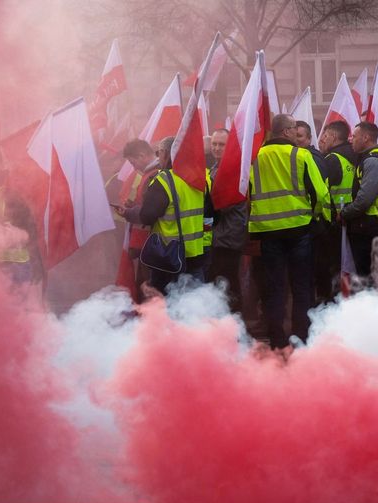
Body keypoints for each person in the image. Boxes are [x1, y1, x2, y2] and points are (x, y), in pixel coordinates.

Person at [248, 114, 331, 350]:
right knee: (301, 286)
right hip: (299, 229)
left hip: (266, 232)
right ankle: (300, 338)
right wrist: (316, 215)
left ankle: (277, 340)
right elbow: (321, 193)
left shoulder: (255, 156)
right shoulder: (301, 155)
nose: (297, 132)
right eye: (294, 128)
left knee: (274, 288)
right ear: (285, 132)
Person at [118, 136, 207, 294]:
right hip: (197, 253)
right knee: (195, 306)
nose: (158, 156)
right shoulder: (201, 177)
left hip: (169, 254)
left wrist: (132, 212)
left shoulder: (163, 179)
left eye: (159, 152)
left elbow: (147, 216)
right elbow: (213, 215)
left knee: (166, 303)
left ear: (166, 153)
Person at [0, 144, 43, 285]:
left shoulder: (14, 199)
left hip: (14, 272)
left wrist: (37, 268)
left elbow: (30, 236)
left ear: (1, 167)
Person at [339, 122, 378, 278]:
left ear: (366, 137)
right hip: (366, 225)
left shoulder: (373, 161)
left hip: (370, 226)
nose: (351, 140)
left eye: (354, 136)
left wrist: (344, 213)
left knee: (368, 276)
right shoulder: (368, 159)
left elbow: (364, 199)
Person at [206, 129, 247, 312]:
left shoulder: (232, 169)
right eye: (214, 143)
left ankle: (234, 321)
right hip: (219, 235)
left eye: (221, 144)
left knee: (227, 281)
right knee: (220, 280)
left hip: (228, 236)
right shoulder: (216, 168)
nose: (216, 148)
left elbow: (220, 204)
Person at [316, 120, 356, 302]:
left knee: (334, 266)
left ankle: (333, 302)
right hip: (353, 218)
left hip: (334, 221)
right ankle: (349, 300)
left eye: (323, 136)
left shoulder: (331, 159)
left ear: (332, 136)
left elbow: (321, 191)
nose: (321, 141)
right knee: (348, 266)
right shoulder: (356, 155)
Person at [119, 139, 161, 297]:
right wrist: (132, 206)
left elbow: (149, 212)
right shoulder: (149, 175)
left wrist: (128, 212)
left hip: (150, 243)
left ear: (142, 155)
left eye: (132, 162)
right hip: (147, 243)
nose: (133, 167)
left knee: (148, 292)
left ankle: (152, 321)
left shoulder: (154, 175)